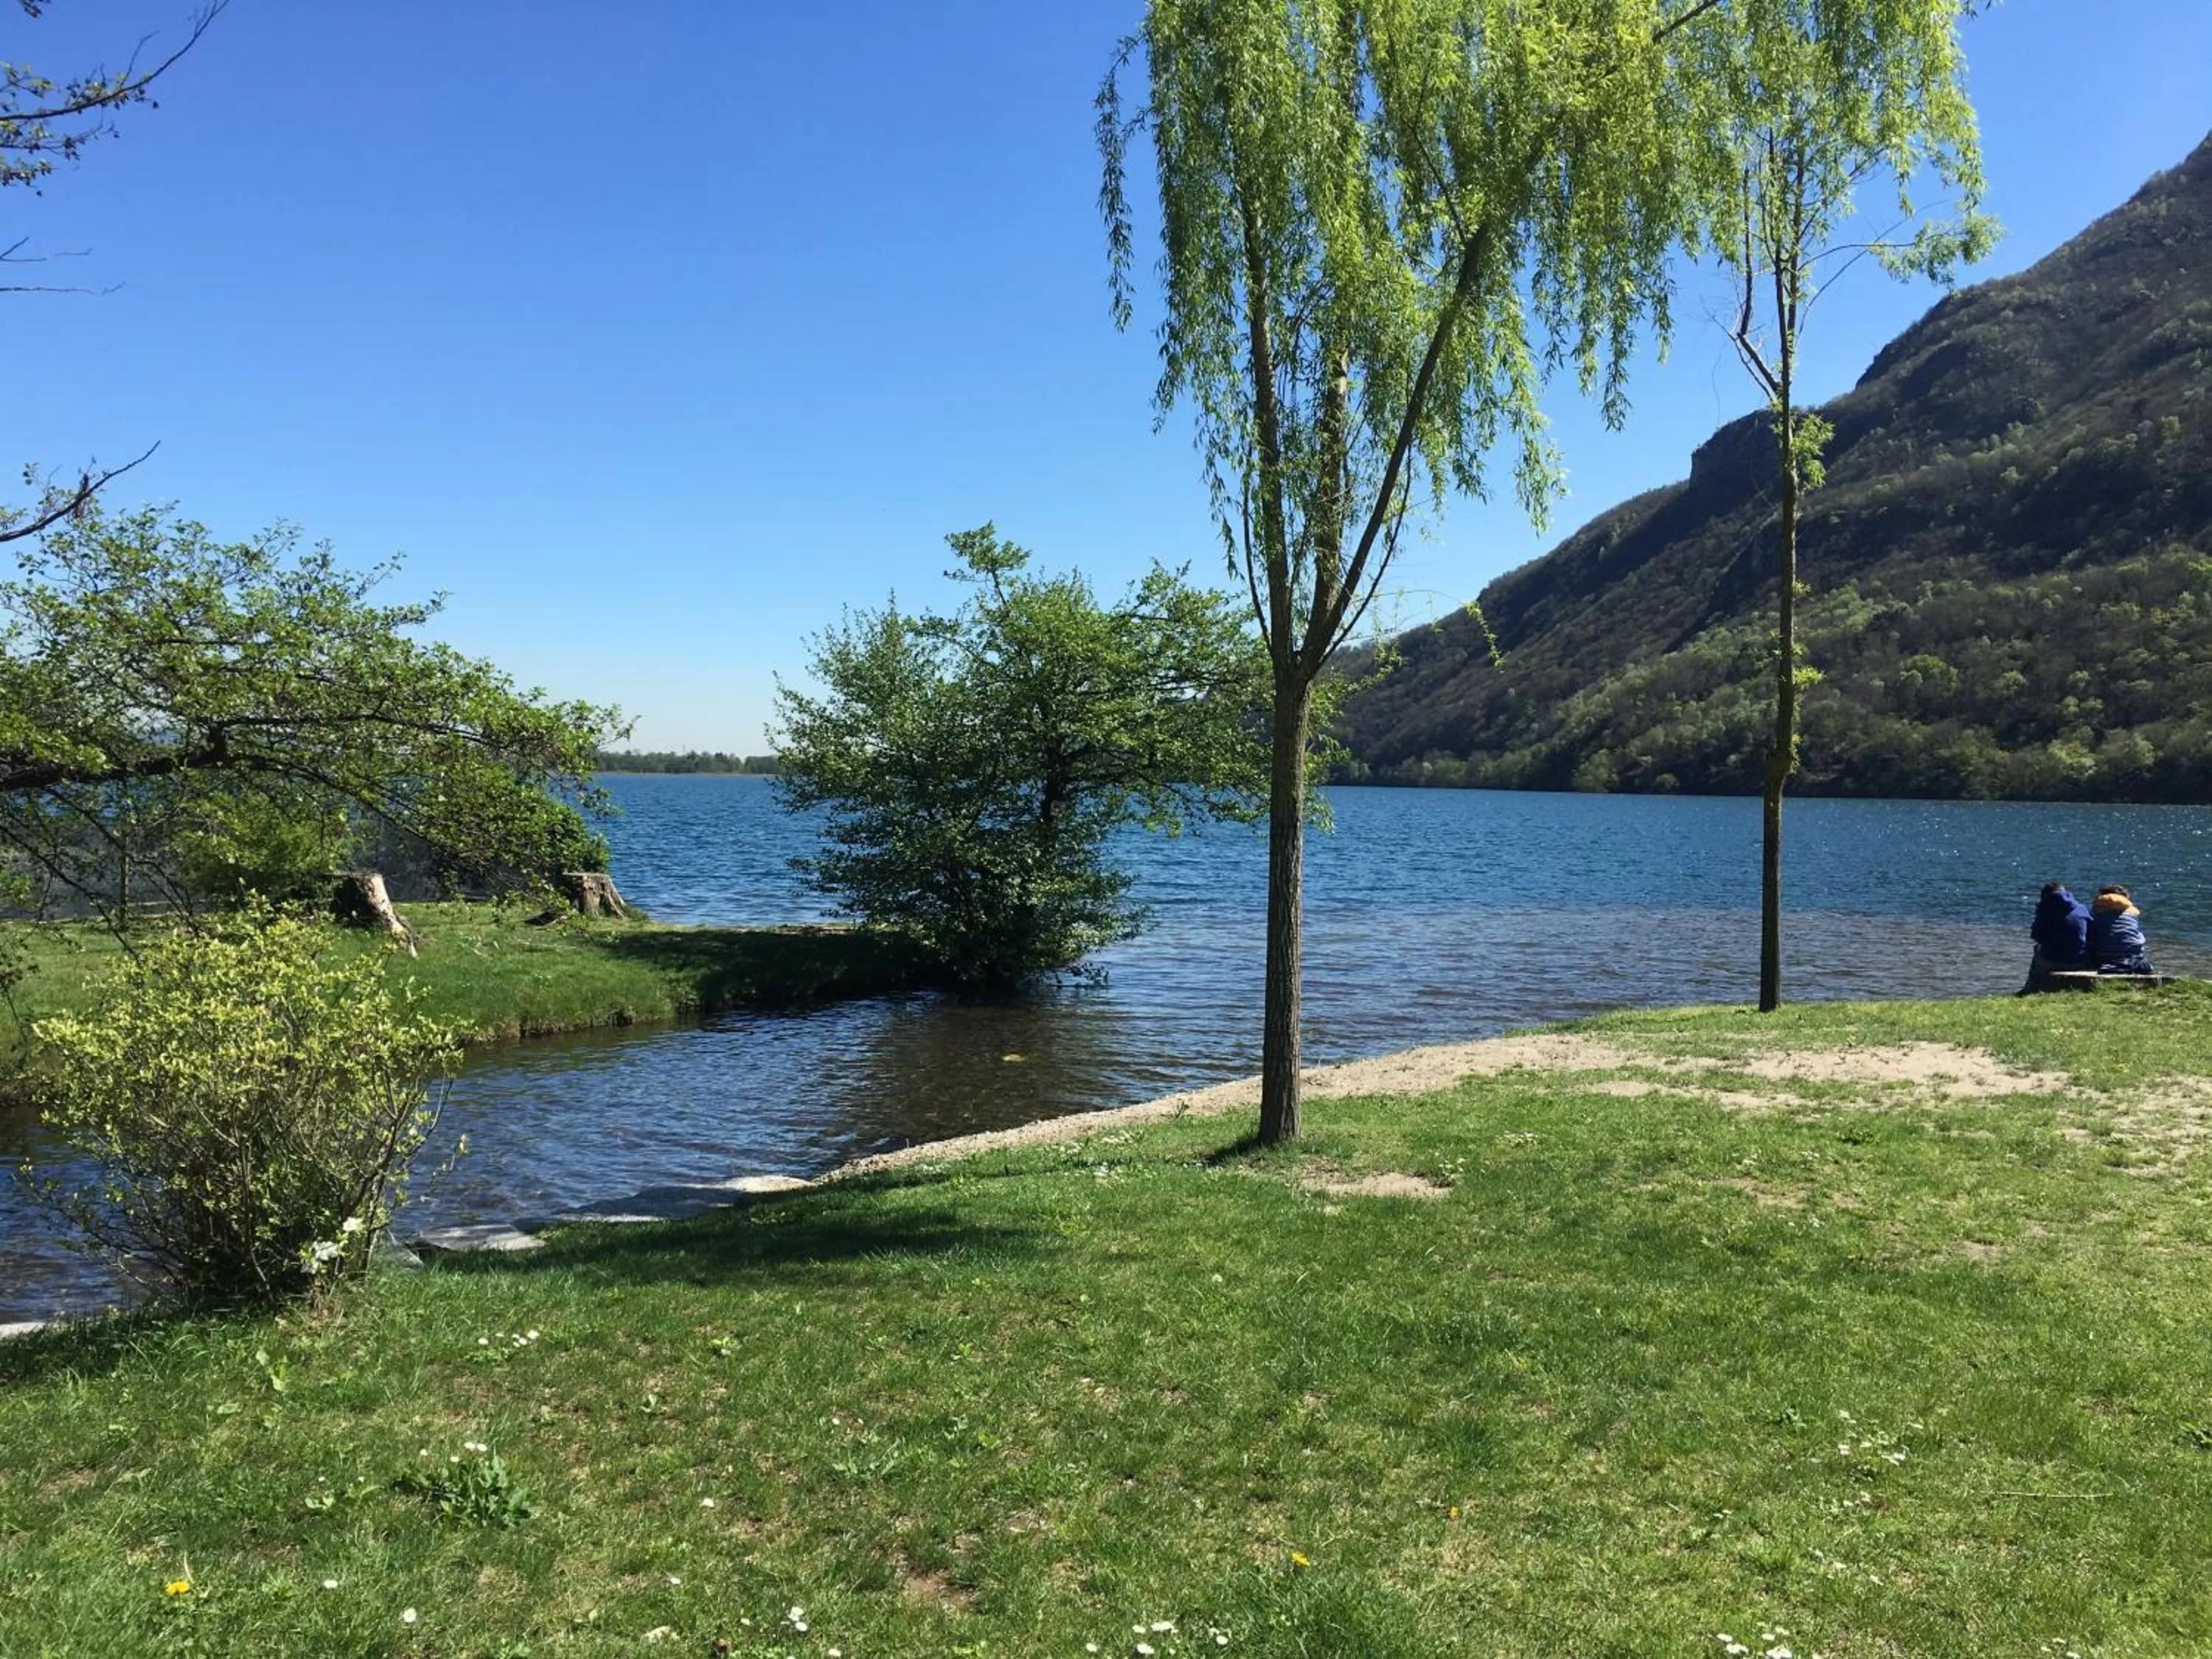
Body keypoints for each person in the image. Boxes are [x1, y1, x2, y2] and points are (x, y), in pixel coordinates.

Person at [2020, 881, 2092, 993]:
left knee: (2038, 948)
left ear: (2045, 896)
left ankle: (2031, 988)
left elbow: (2036, 935)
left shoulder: (2046, 909)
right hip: (2080, 959)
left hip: (2054, 959)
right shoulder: (2081, 908)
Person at [2088, 884, 2156, 975]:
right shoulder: (2131, 914)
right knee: (2139, 935)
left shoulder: (2098, 911)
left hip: (2104, 956)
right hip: (2134, 955)